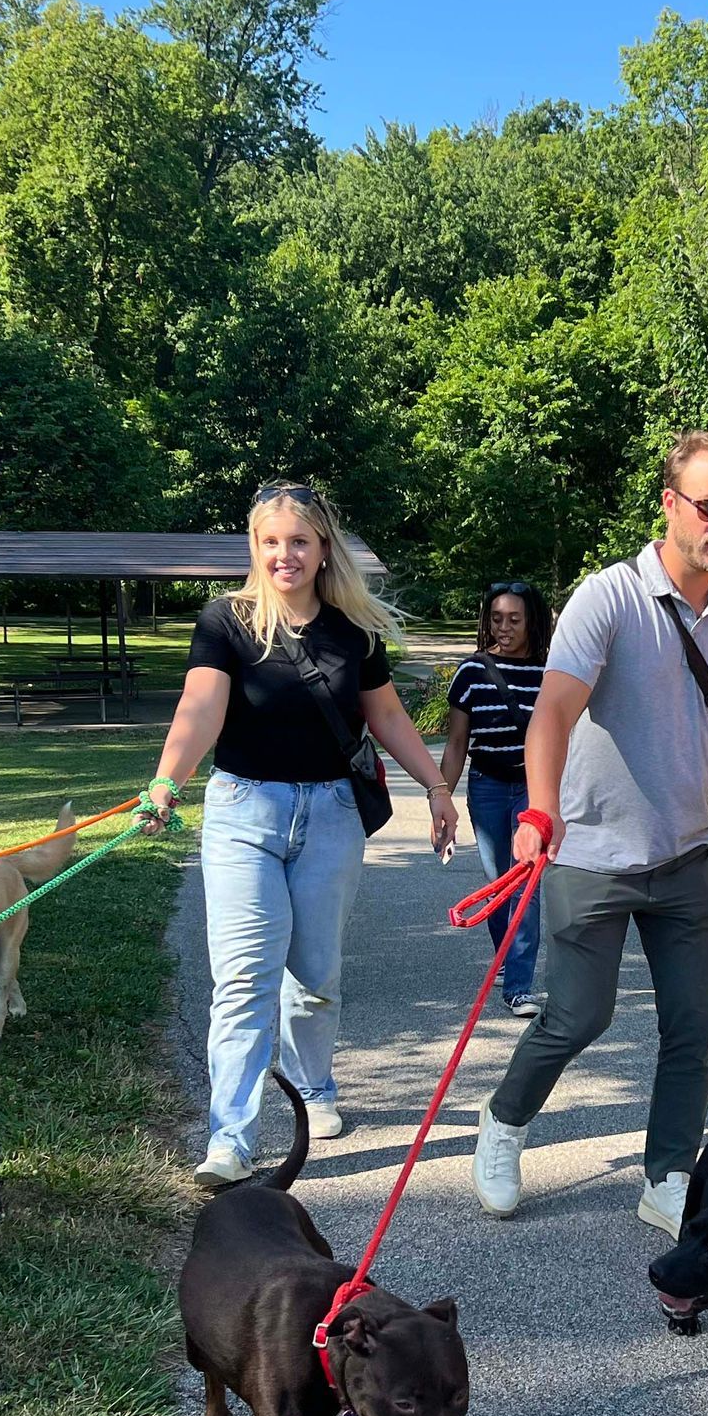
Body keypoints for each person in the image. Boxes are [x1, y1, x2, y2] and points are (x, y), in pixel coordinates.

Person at [470, 430, 708, 1236]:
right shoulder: (610, 598)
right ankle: (502, 1121)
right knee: (578, 1015)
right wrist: (538, 810)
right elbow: (553, 710)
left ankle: (668, 1176)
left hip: (687, 855)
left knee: (692, 1028)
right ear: (670, 503)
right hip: (590, 854)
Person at [138, 482, 457, 1188]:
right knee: (244, 977)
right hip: (243, 811)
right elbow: (200, 707)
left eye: (299, 541)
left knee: (314, 977)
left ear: (322, 550)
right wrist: (166, 780)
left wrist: (438, 788)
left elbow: (388, 717)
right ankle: (232, 1138)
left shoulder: (353, 631)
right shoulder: (226, 621)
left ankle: (314, 1089)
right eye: (271, 541)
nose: (285, 554)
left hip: (332, 815)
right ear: (256, 548)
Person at [439, 579, 554, 1018]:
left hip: (532, 788)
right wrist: (442, 801)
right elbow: (456, 744)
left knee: (525, 885)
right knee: (498, 885)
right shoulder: (472, 672)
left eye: (514, 620)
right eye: (496, 619)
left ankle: (519, 987)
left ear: (532, 623)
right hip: (486, 785)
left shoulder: (551, 673)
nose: (503, 628)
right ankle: (507, 956)